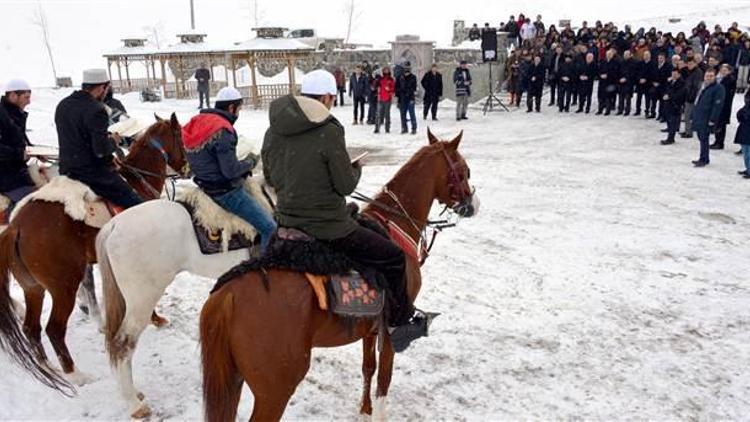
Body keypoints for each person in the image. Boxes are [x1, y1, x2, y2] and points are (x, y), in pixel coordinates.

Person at [261, 69, 424, 350]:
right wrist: (355, 169)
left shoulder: (274, 128)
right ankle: (398, 322)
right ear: (325, 97)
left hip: (286, 222)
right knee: (394, 257)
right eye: (332, 98)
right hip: (329, 227)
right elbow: (345, 185)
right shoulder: (329, 128)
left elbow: (273, 178)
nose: (332, 103)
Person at [56, 69, 143, 208]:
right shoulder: (96, 109)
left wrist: (109, 158)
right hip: (92, 174)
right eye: (106, 88)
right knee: (136, 203)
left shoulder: (63, 105)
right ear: (102, 87)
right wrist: (113, 141)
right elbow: (100, 150)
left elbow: (78, 140)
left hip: (66, 169)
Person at [0, 79, 36, 212]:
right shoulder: (3, 115)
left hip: (15, 170)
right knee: (30, 206)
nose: (29, 101)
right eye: (26, 97)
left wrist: (33, 150)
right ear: (13, 96)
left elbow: (16, 140)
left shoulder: (13, 114)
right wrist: (19, 154)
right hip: (6, 176)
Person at [691, 68, 725, 167]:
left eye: (711, 76)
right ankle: (704, 157)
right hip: (699, 116)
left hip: (707, 118)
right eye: (707, 76)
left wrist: (712, 119)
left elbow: (717, 105)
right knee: (701, 138)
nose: (708, 78)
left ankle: (704, 159)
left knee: (704, 139)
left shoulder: (719, 88)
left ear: (715, 77)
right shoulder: (703, 86)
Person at [711, 64, 737, 150]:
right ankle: (717, 141)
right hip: (719, 105)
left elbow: (726, 94)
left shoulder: (729, 80)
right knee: (718, 124)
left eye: (725, 70)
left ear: (729, 71)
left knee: (721, 125)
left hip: (724, 106)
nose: (723, 71)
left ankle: (719, 142)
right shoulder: (721, 79)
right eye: (722, 69)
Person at [660, 68, 687, 145]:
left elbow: (680, 94)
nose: (674, 75)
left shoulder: (682, 83)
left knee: (673, 122)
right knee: (669, 121)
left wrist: (669, 96)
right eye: (672, 74)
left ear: (679, 74)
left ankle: (670, 138)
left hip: (675, 104)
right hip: (668, 104)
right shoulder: (670, 81)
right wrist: (665, 95)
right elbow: (666, 89)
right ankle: (670, 136)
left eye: (675, 74)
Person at [681, 58, 704, 138]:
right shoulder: (689, 72)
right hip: (688, 95)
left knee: (688, 115)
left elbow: (696, 87)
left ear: (695, 64)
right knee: (687, 115)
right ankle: (687, 130)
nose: (689, 66)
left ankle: (689, 132)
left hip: (692, 97)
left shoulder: (697, 73)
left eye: (691, 64)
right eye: (688, 64)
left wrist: (691, 97)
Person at [395, 62, 418, 134]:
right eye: (405, 68)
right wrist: (398, 99)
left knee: (412, 114)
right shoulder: (399, 77)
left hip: (410, 98)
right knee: (403, 114)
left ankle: (414, 128)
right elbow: (397, 88)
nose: (406, 69)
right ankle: (404, 128)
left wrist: (411, 96)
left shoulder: (413, 77)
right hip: (402, 98)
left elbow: (413, 88)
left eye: (408, 68)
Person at [596, 50, 619, 115]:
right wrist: (600, 75)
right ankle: (600, 109)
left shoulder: (615, 62)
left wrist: (607, 75)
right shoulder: (603, 61)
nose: (608, 55)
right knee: (600, 96)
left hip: (610, 82)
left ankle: (607, 110)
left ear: (612, 55)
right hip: (602, 82)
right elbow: (598, 70)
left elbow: (615, 72)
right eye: (607, 54)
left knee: (608, 97)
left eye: (610, 54)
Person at [374, 66, 395, 134]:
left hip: (387, 99)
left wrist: (389, 91)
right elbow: (375, 86)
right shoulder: (380, 79)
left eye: (387, 70)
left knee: (387, 114)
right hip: (380, 99)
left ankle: (387, 128)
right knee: (378, 114)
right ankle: (377, 128)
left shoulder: (391, 79)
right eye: (385, 70)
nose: (386, 71)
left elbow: (393, 88)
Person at [734, 92, 750, 178]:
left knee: (748, 151)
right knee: (745, 149)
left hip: (747, 126)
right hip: (745, 126)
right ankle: (748, 168)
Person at [617, 51, 636, 116]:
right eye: (624, 54)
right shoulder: (621, 62)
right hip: (621, 81)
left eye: (627, 54)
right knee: (620, 97)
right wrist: (620, 78)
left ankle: (627, 110)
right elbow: (618, 71)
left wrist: (626, 78)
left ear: (630, 55)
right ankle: (620, 109)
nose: (625, 56)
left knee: (627, 97)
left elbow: (633, 73)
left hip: (629, 83)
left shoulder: (633, 63)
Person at [634, 51, 653, 117]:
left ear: (650, 56)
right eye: (645, 55)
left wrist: (646, 79)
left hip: (648, 84)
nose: (646, 56)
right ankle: (637, 110)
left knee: (647, 98)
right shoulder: (639, 63)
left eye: (647, 55)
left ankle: (647, 110)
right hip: (640, 83)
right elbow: (636, 72)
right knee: (638, 98)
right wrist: (639, 79)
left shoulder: (653, 64)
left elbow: (652, 74)